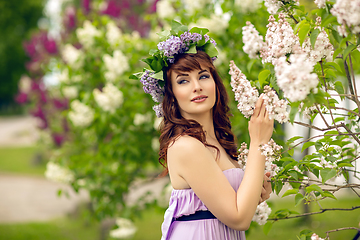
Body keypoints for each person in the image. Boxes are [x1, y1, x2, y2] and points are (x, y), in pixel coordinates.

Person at [134, 22, 273, 240]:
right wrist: (258, 142)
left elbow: (232, 204)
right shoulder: (185, 146)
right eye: (183, 81)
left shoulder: (218, 140)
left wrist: (256, 189)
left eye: (203, 76)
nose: (196, 86)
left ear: (215, 83)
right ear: (172, 96)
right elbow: (239, 218)